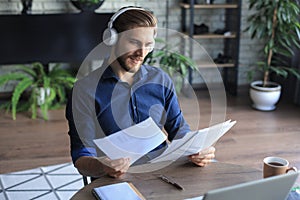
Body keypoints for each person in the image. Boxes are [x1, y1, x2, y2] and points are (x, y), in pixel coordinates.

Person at [66, 6, 215, 179]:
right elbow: (82, 157)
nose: (142, 53)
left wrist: (198, 148)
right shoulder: (84, 91)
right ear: (111, 39)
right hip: (115, 179)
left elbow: (179, 129)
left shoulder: (161, 79)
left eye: (148, 45)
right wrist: (102, 165)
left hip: (163, 173)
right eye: (134, 43)